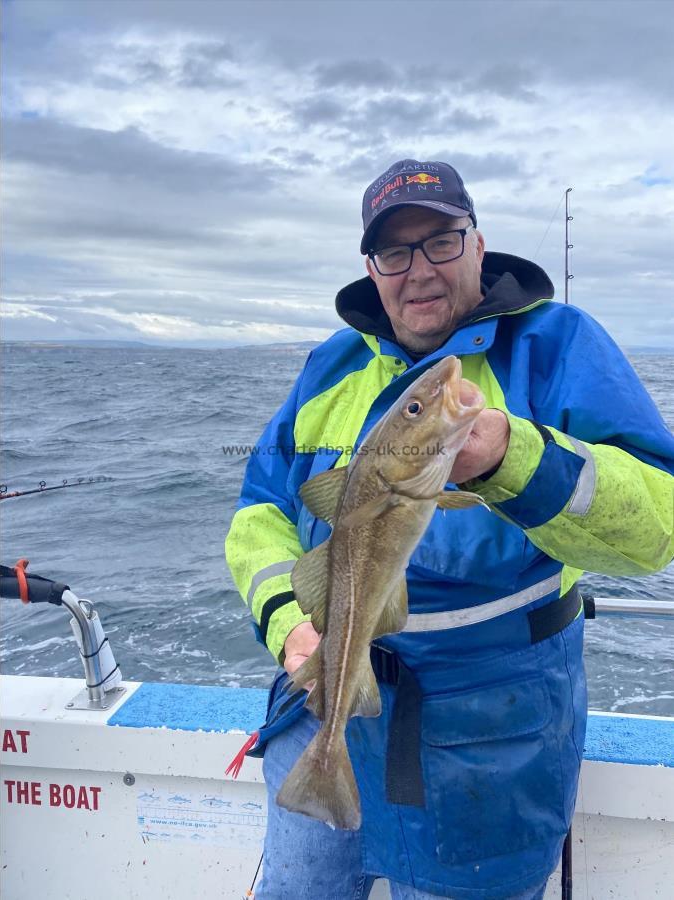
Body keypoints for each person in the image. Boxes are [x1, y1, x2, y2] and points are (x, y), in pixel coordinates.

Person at [225, 158, 674, 899]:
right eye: (393, 253)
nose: (417, 270)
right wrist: (290, 628)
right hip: (326, 692)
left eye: (440, 241)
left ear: (477, 243)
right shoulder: (329, 366)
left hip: (491, 727)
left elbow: (658, 526)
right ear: (371, 268)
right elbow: (258, 513)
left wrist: (509, 455)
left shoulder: (557, 346)